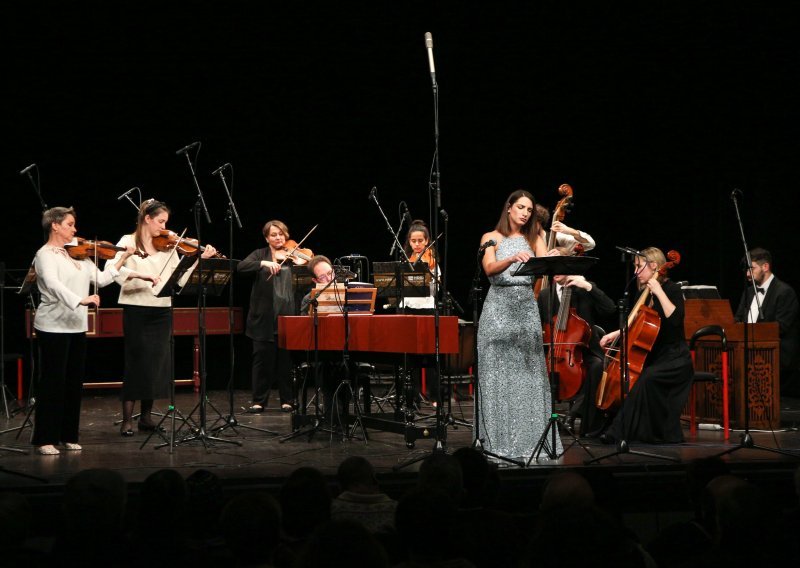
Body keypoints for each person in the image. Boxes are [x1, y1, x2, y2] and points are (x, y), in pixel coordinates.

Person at [33, 206, 155, 454]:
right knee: (52, 384)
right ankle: (45, 438)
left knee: (73, 384)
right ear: (54, 225)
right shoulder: (45, 254)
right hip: (52, 326)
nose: (75, 229)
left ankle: (68, 435)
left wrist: (121, 258)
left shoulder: (78, 255)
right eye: (69, 224)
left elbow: (101, 279)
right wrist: (81, 299)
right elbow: (53, 285)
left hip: (77, 326)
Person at [108, 198, 218, 436]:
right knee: (136, 363)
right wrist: (142, 276)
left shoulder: (168, 246)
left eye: (166, 222)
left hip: (162, 309)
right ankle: (127, 419)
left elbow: (179, 280)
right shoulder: (128, 241)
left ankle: (146, 418)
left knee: (157, 364)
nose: (164, 227)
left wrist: (199, 259)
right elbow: (114, 273)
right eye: (160, 221)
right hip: (136, 308)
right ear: (147, 219)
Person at [477, 189, 561, 459]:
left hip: (525, 310)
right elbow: (489, 269)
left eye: (529, 210)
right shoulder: (490, 237)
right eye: (521, 208)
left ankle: (532, 441)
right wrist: (511, 258)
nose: (525, 214)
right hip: (497, 312)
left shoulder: (535, 237)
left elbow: (545, 264)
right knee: (498, 378)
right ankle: (498, 443)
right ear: (509, 207)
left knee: (528, 378)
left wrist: (554, 252)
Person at [598, 247, 693, 444]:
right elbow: (634, 325)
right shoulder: (642, 294)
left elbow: (675, 320)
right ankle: (617, 427)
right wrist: (614, 334)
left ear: (654, 267)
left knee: (647, 377)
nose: (635, 272)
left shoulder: (671, 290)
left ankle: (618, 432)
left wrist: (658, 291)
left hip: (675, 358)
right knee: (631, 376)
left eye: (639, 267)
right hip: (655, 356)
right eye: (634, 267)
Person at [537, 261, 616, 435]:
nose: (555, 271)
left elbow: (610, 309)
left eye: (560, 265)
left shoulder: (583, 289)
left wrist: (588, 286)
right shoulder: (544, 295)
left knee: (595, 367)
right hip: (556, 352)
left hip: (586, 351)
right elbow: (538, 325)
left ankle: (572, 416)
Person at [237, 219, 297, 413]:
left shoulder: (294, 254)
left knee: (286, 361)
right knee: (262, 360)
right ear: (267, 238)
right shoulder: (260, 254)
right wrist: (263, 263)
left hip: (287, 314)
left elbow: (311, 265)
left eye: (281, 234)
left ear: (286, 235)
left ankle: (288, 399)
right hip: (263, 316)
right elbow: (241, 267)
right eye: (273, 234)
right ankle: (259, 401)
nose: (278, 238)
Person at [734, 248, 800, 396]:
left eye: (752, 269)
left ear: (765, 267)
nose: (747, 274)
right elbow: (738, 318)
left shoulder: (784, 292)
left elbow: (780, 327)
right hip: (748, 353)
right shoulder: (749, 292)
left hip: (775, 357)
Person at [400, 219, 440, 407]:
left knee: (431, 354)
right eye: (413, 241)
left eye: (420, 241)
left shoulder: (432, 262)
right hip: (408, 309)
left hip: (426, 309)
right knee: (411, 356)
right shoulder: (405, 263)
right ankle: (412, 396)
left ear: (427, 241)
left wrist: (429, 273)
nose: (417, 245)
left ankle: (435, 396)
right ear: (409, 242)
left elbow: (435, 290)